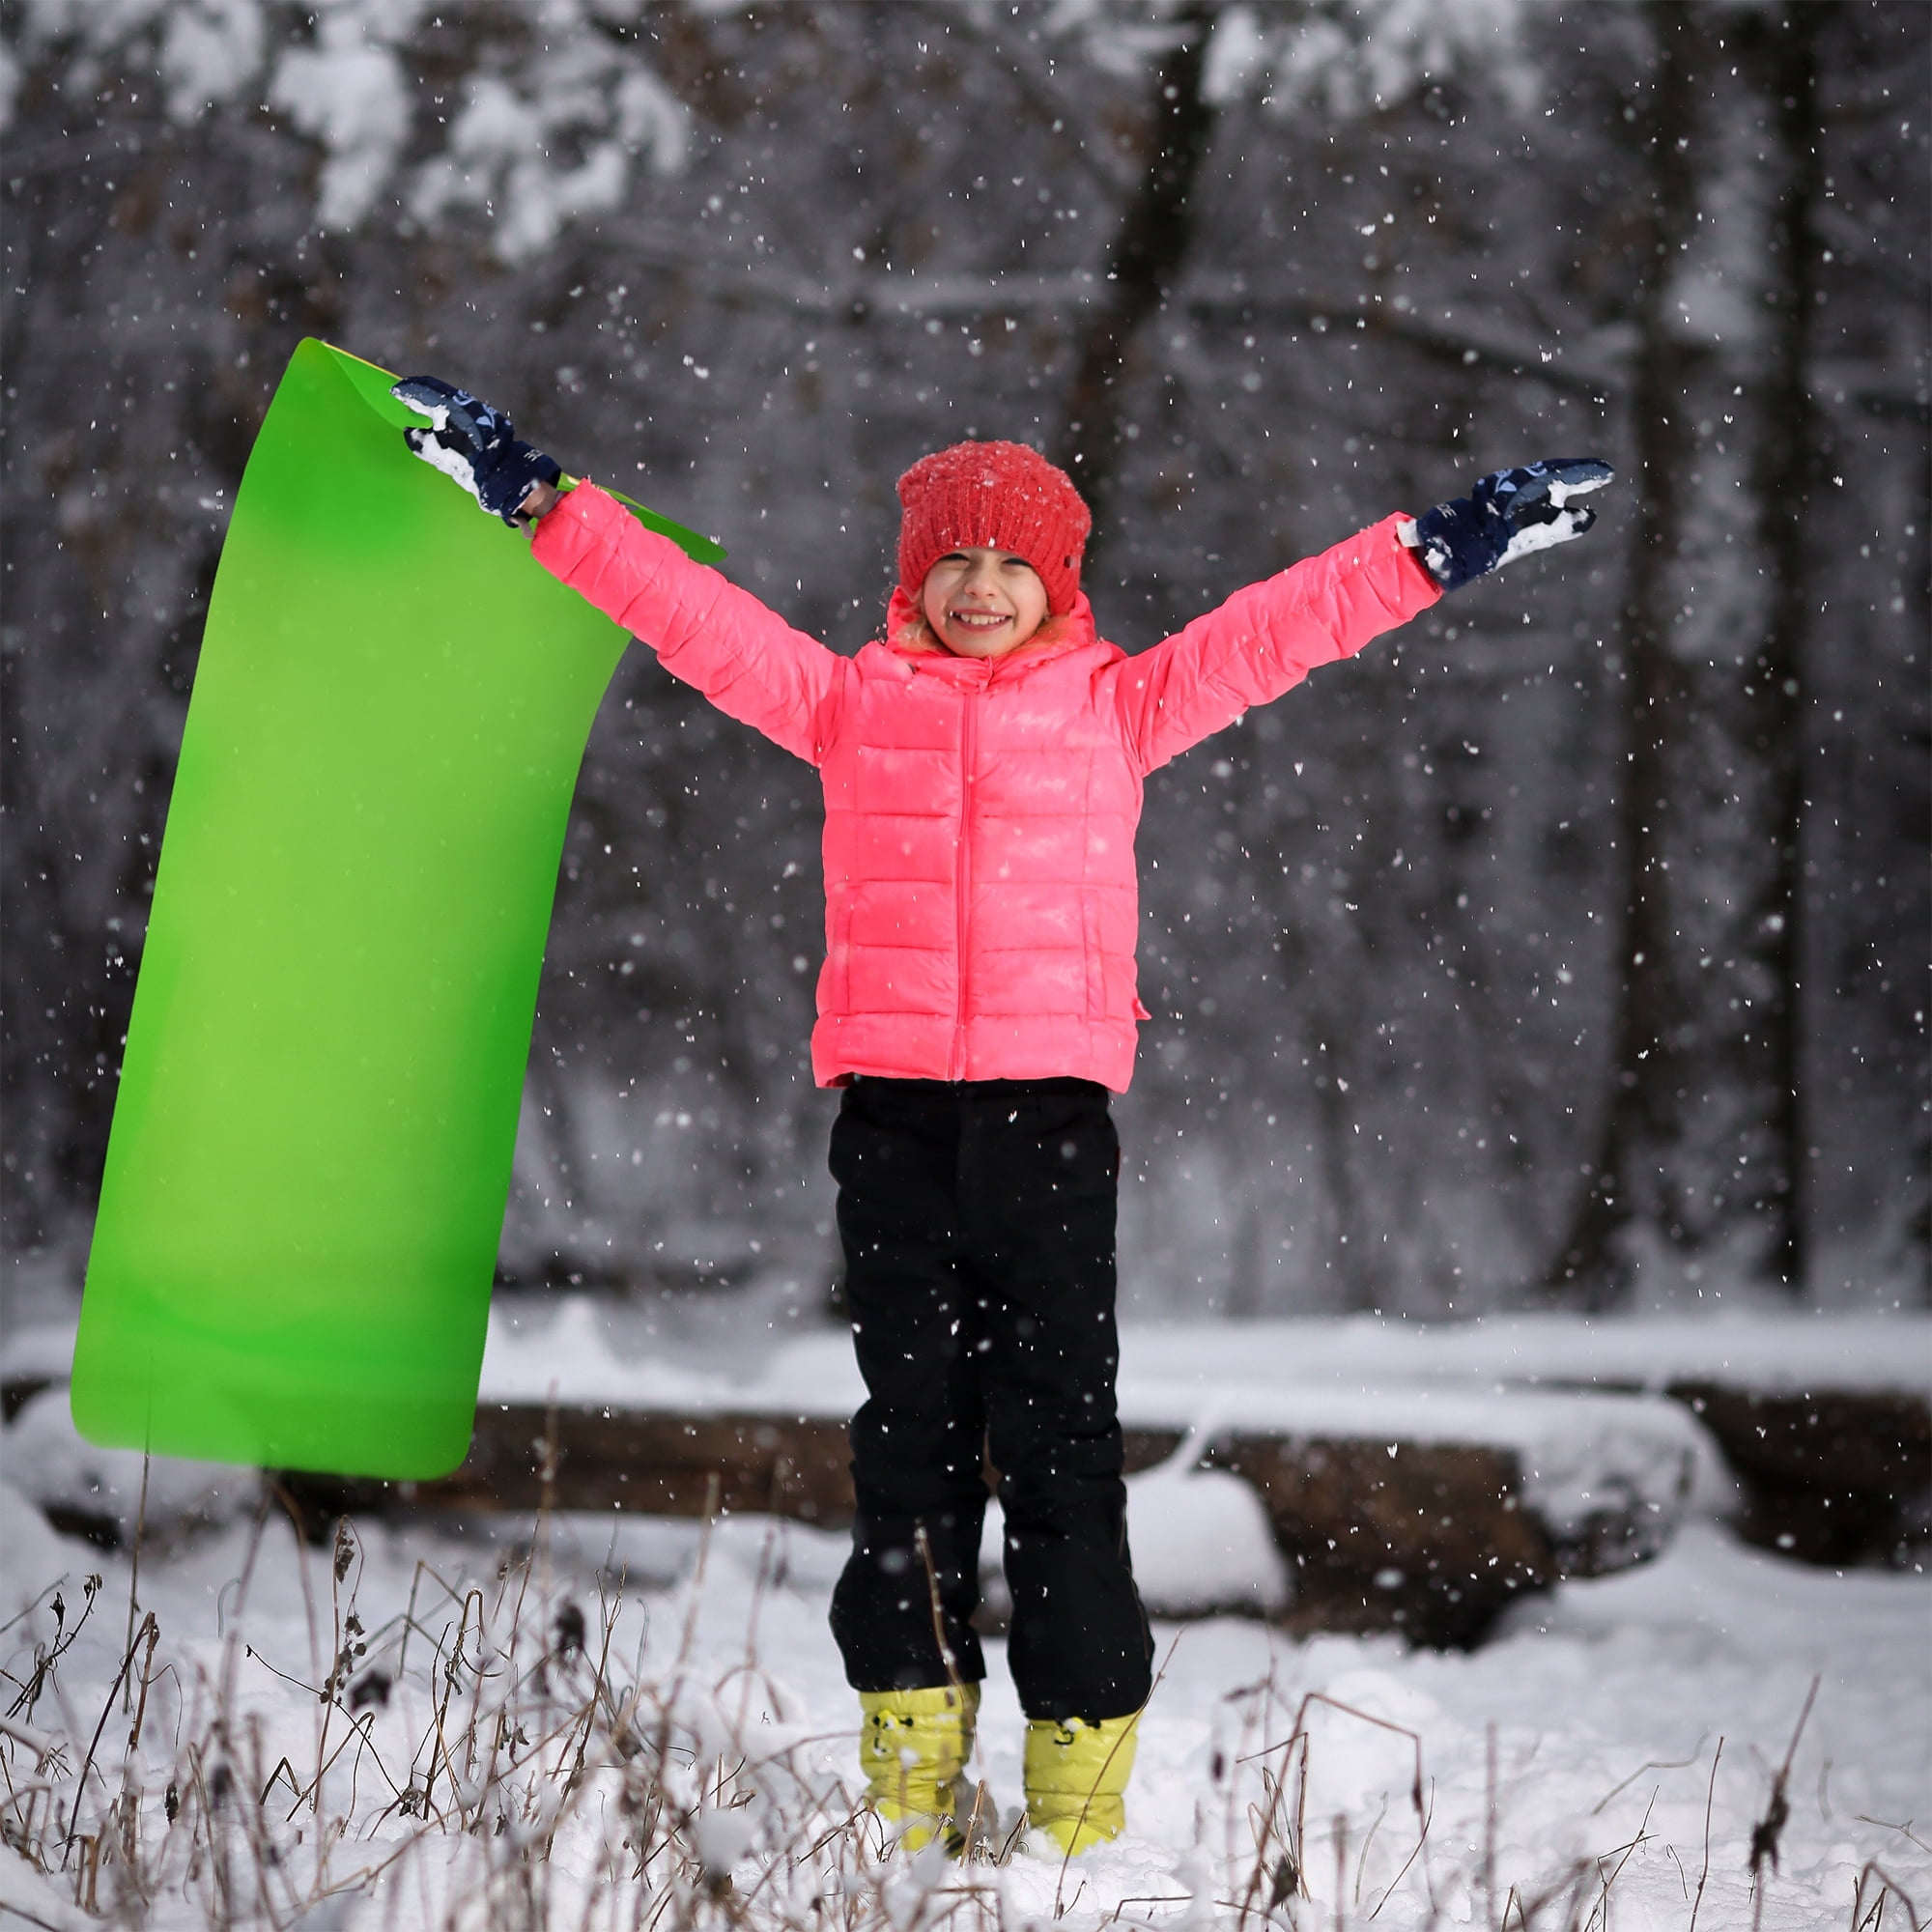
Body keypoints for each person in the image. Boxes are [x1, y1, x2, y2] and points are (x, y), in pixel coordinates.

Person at [393, 377, 1610, 1855]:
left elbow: (1293, 621)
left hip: (1047, 1126)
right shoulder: (851, 704)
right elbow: (685, 611)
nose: (981, 588)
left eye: (1010, 562)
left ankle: (1078, 1803)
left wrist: (1444, 544)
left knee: (1059, 1446)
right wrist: (537, 496)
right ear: (915, 579)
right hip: (897, 1125)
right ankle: (910, 1784)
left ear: (1060, 579)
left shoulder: (1120, 705)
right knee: (907, 1442)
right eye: (953, 562)